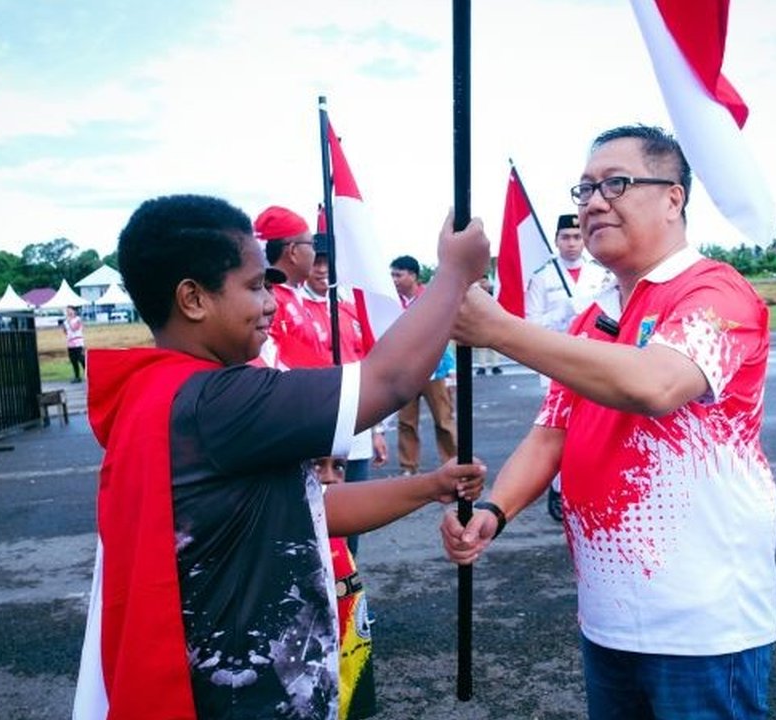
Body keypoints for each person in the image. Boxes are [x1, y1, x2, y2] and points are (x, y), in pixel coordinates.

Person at [71, 194, 489, 720]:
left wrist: (429, 485)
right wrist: (452, 274)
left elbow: (310, 509)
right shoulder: (217, 403)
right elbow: (390, 380)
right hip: (246, 698)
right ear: (193, 299)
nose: (270, 302)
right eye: (252, 286)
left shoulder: (164, 394)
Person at [441, 125, 776, 720]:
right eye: (585, 189)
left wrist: (499, 330)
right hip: (609, 617)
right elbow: (552, 434)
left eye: (615, 184)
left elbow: (656, 384)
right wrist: (495, 511)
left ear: (673, 198)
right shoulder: (593, 318)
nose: (594, 202)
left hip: (701, 624)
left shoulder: (715, 292)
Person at [309, 454, 484, 720]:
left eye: (339, 467)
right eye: (316, 465)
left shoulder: (338, 538)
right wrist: (435, 484)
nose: (330, 476)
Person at [302, 237, 390, 555]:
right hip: (317, 428)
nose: (322, 269)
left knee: (353, 518)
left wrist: (379, 429)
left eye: (328, 262)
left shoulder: (350, 309)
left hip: (358, 426)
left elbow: (371, 369)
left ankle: (349, 589)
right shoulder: (293, 310)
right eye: (316, 262)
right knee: (317, 516)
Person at [524, 213, 610, 521]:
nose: (572, 243)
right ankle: (559, 489)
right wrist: (561, 314)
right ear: (556, 240)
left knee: (590, 426)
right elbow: (530, 324)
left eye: (577, 237)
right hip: (554, 363)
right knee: (560, 429)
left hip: (593, 360)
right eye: (566, 237)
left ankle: (580, 485)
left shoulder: (601, 273)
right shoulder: (543, 276)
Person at [389, 255, 457, 475]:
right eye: (392, 275)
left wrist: (451, 371)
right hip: (404, 373)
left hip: (434, 370)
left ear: (413, 276)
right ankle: (408, 467)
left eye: (398, 275)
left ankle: (453, 464)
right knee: (406, 422)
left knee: (444, 421)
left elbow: (448, 332)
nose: (394, 279)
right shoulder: (390, 301)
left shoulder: (432, 298)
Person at [254, 205, 330, 368]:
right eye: (312, 245)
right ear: (293, 251)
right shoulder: (270, 303)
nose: (314, 253)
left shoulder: (294, 295)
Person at [62, 305, 85, 383]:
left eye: (70, 310)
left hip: (78, 342)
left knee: (82, 359)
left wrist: (69, 322)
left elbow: (74, 328)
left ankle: (87, 374)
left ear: (74, 311)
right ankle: (77, 376)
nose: (68, 312)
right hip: (70, 343)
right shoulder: (65, 321)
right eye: (67, 310)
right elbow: (65, 331)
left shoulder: (78, 319)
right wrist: (65, 326)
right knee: (73, 360)